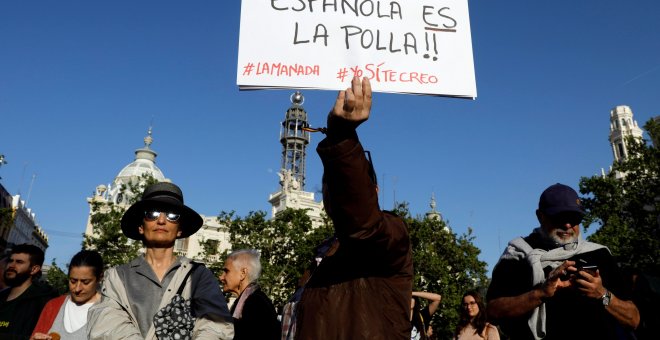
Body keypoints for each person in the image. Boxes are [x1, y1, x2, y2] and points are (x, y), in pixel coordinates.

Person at [291, 77, 414, 339]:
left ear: (373, 192)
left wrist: (342, 137)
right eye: (328, 185)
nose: (332, 192)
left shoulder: (388, 237)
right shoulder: (324, 253)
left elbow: (362, 223)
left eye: (340, 184)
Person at [486, 183, 640, 339]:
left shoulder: (599, 254)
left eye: (574, 218)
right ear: (540, 216)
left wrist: (602, 294)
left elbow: (633, 319)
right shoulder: (519, 254)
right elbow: (492, 311)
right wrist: (540, 293)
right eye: (559, 217)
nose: (567, 225)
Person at [87, 181, 234, 339]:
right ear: (141, 227)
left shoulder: (199, 277)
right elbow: (107, 324)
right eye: (152, 213)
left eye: (172, 215)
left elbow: (215, 325)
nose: (162, 220)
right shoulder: (117, 277)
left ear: (180, 229)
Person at [31, 250, 104, 340]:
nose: (77, 288)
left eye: (85, 282)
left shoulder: (109, 310)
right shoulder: (53, 306)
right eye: (73, 281)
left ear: (100, 278)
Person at [0, 244, 58, 340]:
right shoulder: (1, 296)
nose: (11, 265)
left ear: (34, 269)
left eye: (19, 262)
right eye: (11, 261)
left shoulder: (44, 302)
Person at [219, 249, 280, 340]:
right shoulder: (247, 300)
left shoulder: (256, 304)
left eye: (226, 271)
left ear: (243, 273)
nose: (221, 277)